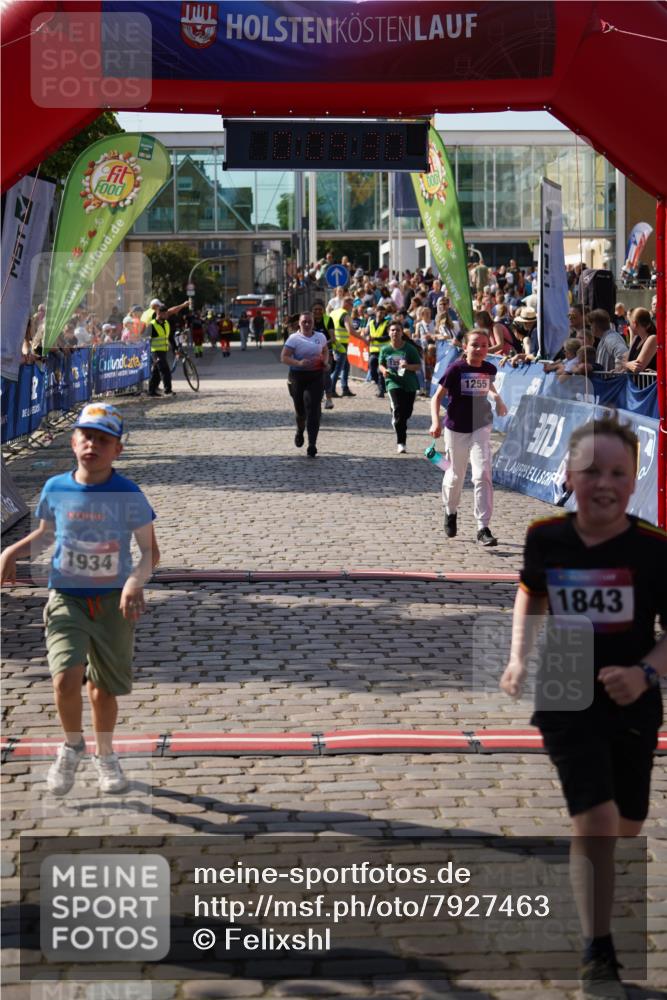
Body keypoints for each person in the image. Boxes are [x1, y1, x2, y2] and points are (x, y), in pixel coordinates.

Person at [500, 416, 666, 1000]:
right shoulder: (546, 536)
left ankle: (595, 890)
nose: (605, 482)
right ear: (567, 475)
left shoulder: (653, 549)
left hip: (635, 692)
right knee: (594, 820)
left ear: (635, 476)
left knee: (627, 823)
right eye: (591, 470)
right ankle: (599, 952)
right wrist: (520, 657)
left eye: (619, 472)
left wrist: (645, 673)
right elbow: (531, 593)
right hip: (567, 677)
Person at [0, 402, 159, 795]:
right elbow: (45, 534)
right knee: (65, 678)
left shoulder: (128, 493)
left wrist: (134, 582)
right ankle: (72, 745)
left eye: (103, 440)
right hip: (66, 598)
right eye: (86, 437)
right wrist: (9, 552)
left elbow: (151, 553)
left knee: (102, 690)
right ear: (73, 442)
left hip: (112, 604)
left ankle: (105, 755)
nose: (93, 445)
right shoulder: (56, 487)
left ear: (117, 450)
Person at [429, 328, 508, 545]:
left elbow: (488, 387)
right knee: (456, 475)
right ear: (465, 347)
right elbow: (436, 398)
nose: (480, 349)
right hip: (456, 428)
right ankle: (450, 511)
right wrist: (436, 422)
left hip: (481, 425)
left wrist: (498, 399)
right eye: (475, 345)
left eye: (484, 345)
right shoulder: (456, 369)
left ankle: (483, 527)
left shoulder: (489, 368)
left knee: (483, 474)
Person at [280, 311, 329, 458]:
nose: (307, 324)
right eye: (304, 322)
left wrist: (325, 362)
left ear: (313, 323)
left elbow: (325, 351)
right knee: (301, 411)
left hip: (315, 377)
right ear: (299, 323)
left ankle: (312, 444)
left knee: (313, 409)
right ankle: (300, 430)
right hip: (298, 377)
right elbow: (284, 357)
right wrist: (298, 363)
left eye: (309, 322)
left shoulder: (320, 337)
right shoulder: (294, 338)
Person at [378, 320, 422, 454]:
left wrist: (407, 366)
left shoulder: (409, 349)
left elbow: (418, 366)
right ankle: (401, 442)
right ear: (388, 333)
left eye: (397, 330)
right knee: (399, 412)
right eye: (392, 330)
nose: (395, 332)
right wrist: (384, 371)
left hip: (409, 383)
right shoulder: (385, 349)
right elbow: (381, 364)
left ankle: (397, 417)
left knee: (406, 413)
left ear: (402, 332)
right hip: (393, 382)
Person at [148, 303, 177, 397]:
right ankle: (168, 390)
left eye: (166, 314)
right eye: (164, 314)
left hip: (163, 351)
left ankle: (151, 391)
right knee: (165, 370)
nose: (166, 316)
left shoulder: (166, 323)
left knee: (156, 372)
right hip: (155, 351)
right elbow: (146, 339)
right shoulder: (152, 325)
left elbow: (169, 337)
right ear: (158, 313)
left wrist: (175, 348)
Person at [311, 300, 335, 410]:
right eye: (315, 309)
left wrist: (322, 346)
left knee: (325, 374)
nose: (317, 311)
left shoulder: (328, 320)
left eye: (319, 309)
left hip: (326, 352)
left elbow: (333, 338)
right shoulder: (308, 321)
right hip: (311, 353)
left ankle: (329, 399)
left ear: (323, 310)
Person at [330, 295, 356, 397]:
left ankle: (345, 388)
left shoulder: (333, 313)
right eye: (351, 304)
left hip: (335, 342)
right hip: (341, 344)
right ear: (345, 304)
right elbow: (350, 330)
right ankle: (330, 389)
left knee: (346, 366)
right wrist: (363, 339)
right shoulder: (344, 314)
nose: (352, 307)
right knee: (338, 368)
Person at [621, 307, 657, 373]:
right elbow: (623, 361)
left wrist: (625, 364)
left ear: (634, 324)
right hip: (636, 382)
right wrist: (627, 364)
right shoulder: (637, 339)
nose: (628, 326)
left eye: (629, 323)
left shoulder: (652, 339)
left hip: (648, 382)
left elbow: (637, 368)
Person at [366, 304, 390, 397]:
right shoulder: (371, 322)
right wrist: (367, 337)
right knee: (372, 370)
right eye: (379, 312)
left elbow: (387, 337)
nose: (381, 314)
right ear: (376, 312)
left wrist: (375, 338)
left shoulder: (387, 323)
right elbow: (368, 333)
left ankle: (381, 390)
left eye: (383, 313)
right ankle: (381, 386)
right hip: (373, 350)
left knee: (380, 371)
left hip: (383, 351)